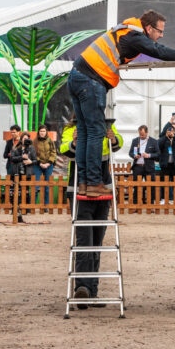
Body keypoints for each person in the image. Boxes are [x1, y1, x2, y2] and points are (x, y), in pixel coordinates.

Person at [68, 9, 175, 197]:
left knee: (85, 132)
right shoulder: (134, 36)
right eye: (159, 31)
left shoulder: (125, 31)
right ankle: (94, 183)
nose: (161, 35)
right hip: (91, 80)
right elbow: (159, 51)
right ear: (149, 28)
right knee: (95, 132)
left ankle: (84, 183)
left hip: (77, 76)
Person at [61, 117, 123, 308]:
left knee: (96, 242)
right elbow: (63, 149)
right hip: (79, 192)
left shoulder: (105, 125)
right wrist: (74, 142)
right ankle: (82, 287)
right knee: (84, 242)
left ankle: (92, 290)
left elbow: (119, 142)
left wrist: (113, 139)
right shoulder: (72, 128)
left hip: (103, 191)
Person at [129, 125, 159, 206]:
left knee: (151, 186)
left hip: (149, 167)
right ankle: (136, 205)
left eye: (142, 134)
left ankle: (151, 204)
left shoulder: (153, 141)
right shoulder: (135, 140)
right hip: (138, 166)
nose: (141, 136)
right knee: (136, 186)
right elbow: (130, 152)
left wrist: (149, 155)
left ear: (147, 132)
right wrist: (134, 156)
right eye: (140, 134)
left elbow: (158, 154)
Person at [34, 125, 57, 207]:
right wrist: (40, 163)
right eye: (41, 131)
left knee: (47, 186)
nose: (42, 133)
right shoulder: (35, 141)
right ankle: (33, 205)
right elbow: (34, 153)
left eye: (44, 131)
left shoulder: (50, 140)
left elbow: (53, 152)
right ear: (38, 132)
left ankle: (46, 205)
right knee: (36, 185)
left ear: (46, 132)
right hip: (38, 165)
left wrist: (48, 163)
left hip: (48, 165)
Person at [158, 123, 175, 204]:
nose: (170, 132)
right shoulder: (163, 139)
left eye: (172, 131)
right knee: (164, 182)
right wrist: (165, 136)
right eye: (169, 131)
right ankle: (164, 199)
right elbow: (158, 145)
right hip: (165, 165)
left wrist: (174, 136)